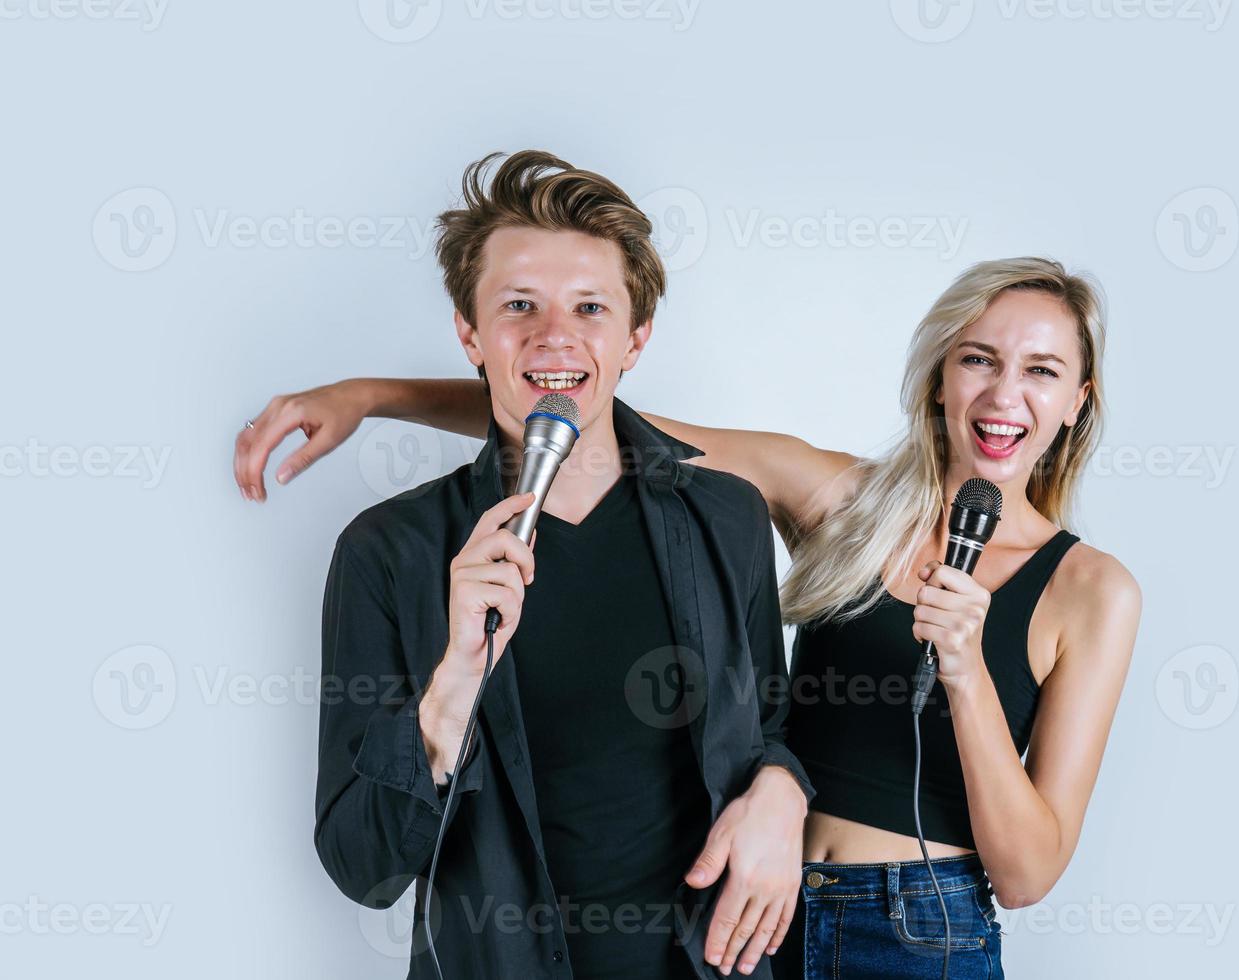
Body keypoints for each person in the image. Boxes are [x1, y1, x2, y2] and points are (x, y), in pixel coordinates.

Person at [242, 246, 1142, 976]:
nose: (1001, 395)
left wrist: (968, 669)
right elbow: (585, 413)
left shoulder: (1092, 590)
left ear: (1076, 403)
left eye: (1042, 371)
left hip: (912, 932)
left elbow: (1026, 874)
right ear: (941, 376)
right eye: (978, 359)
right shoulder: (842, 499)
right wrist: (368, 398)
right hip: (754, 919)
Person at [306, 150, 814, 980]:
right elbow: (360, 867)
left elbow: (774, 731)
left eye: (590, 306)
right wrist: (451, 689)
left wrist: (784, 792)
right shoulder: (387, 551)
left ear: (635, 337)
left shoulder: (726, 517)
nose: (555, 337)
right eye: (518, 306)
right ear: (469, 333)